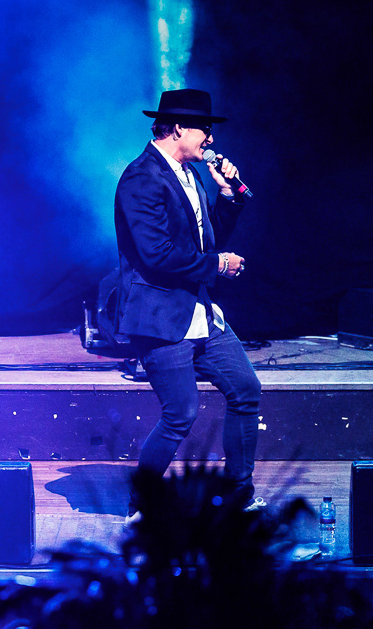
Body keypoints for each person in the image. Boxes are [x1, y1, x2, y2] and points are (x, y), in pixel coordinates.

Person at [112, 88, 262, 514]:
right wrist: (218, 265)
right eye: (204, 129)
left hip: (199, 311)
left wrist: (228, 196)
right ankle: (141, 506)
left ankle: (238, 494)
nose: (210, 139)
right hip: (160, 316)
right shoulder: (141, 178)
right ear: (178, 128)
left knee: (245, 389)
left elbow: (205, 239)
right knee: (180, 413)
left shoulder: (190, 175)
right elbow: (157, 254)